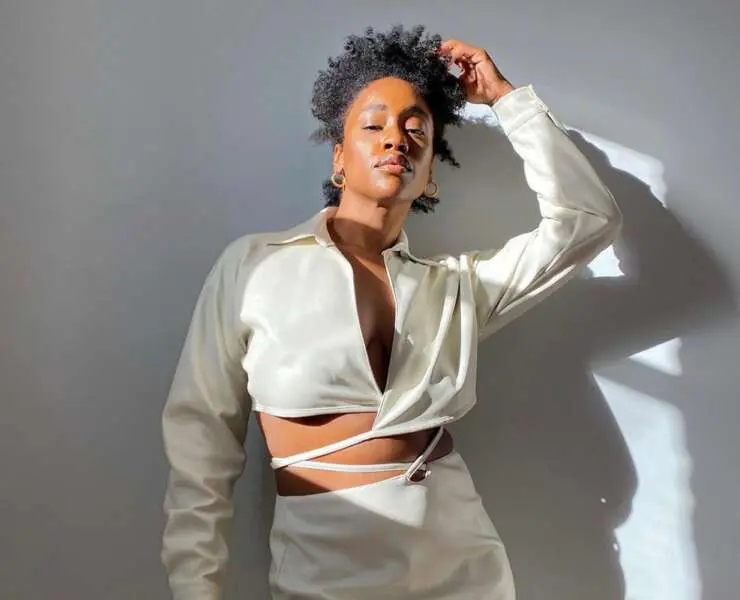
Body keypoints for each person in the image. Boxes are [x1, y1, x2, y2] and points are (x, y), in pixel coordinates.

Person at [160, 25, 622, 600]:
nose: (396, 140)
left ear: (429, 176)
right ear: (339, 157)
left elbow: (587, 219)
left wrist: (505, 100)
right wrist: (195, 588)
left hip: (462, 566)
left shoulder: (456, 287)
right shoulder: (254, 266)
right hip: (325, 575)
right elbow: (201, 440)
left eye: (416, 130)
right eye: (373, 126)